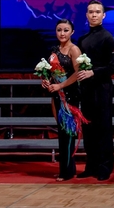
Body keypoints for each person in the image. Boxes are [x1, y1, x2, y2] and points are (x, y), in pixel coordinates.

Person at [76, 0, 114, 181]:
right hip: (86, 89)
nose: (94, 15)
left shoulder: (108, 38)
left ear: (103, 15)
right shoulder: (82, 39)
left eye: (97, 12)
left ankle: (105, 166)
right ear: (86, 15)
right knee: (88, 128)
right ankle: (91, 165)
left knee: (103, 128)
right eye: (91, 12)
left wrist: (93, 72)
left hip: (102, 89)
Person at [41, 19, 83, 181]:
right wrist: (46, 81)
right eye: (59, 30)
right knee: (62, 132)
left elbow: (77, 74)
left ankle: (67, 172)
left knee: (68, 133)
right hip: (57, 95)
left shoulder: (74, 50)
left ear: (72, 32)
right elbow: (50, 73)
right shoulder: (54, 51)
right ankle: (66, 169)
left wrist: (61, 85)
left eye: (66, 30)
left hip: (70, 95)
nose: (62, 33)